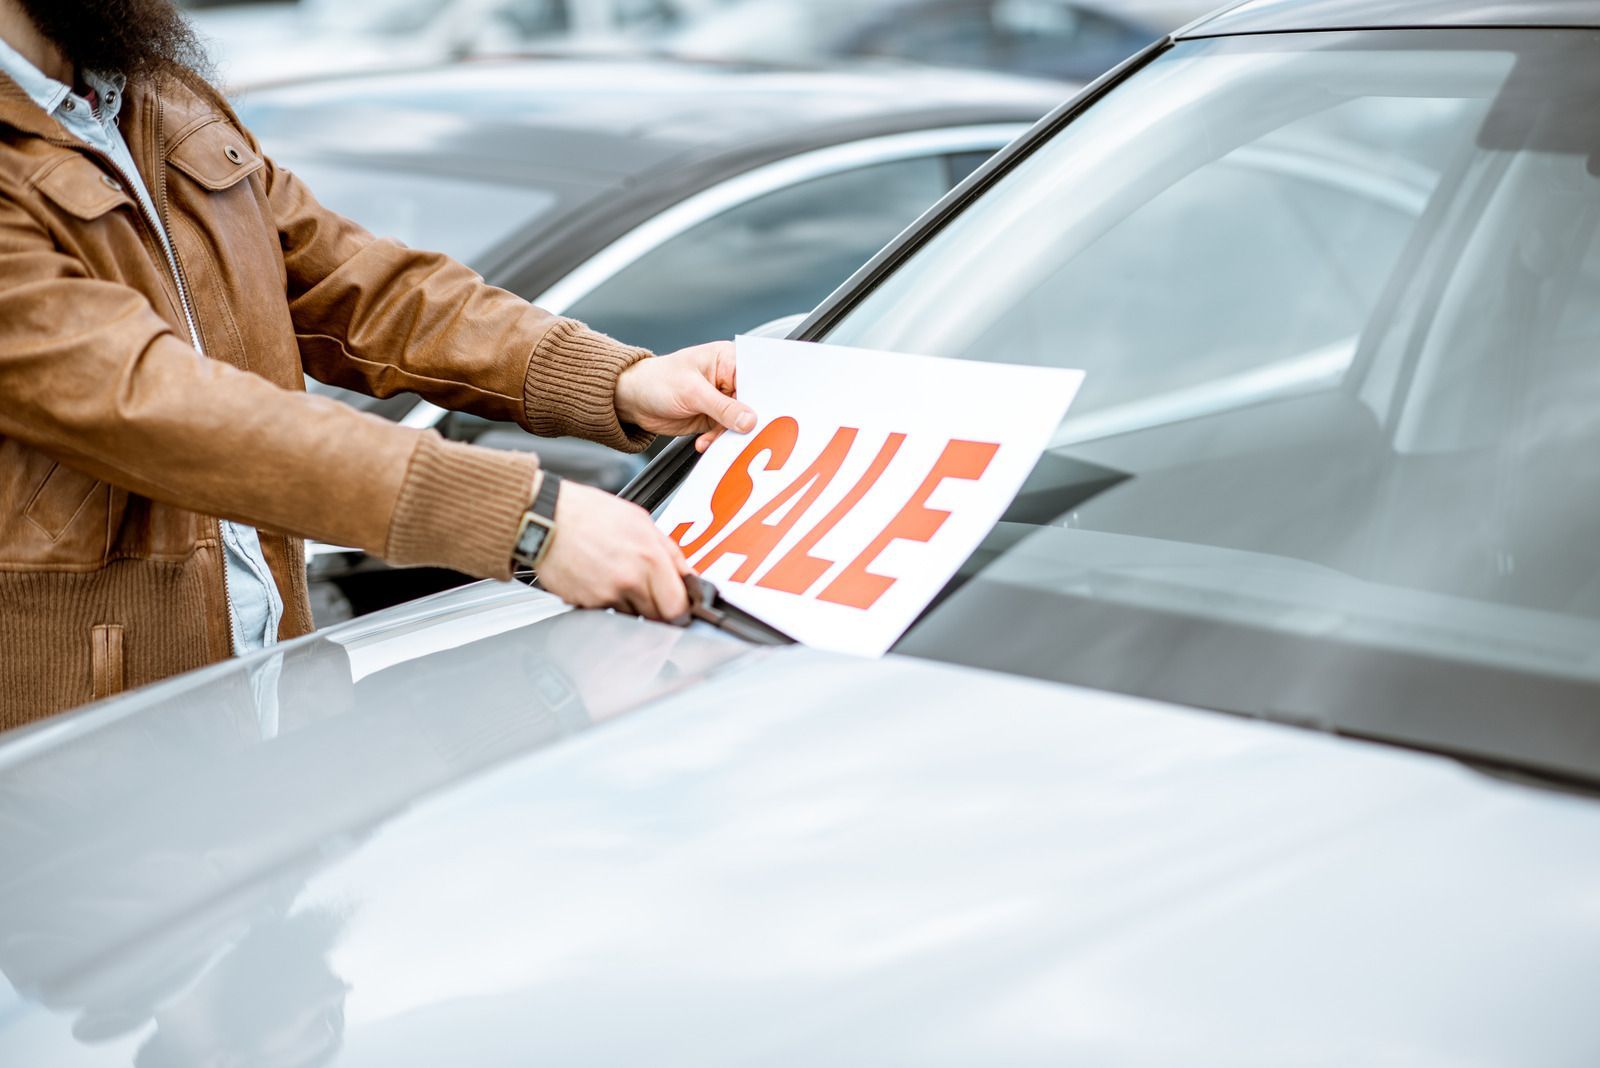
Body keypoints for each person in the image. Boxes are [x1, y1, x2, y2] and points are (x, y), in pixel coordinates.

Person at [0, 0, 756, 729]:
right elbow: (156, 408)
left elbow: (364, 289)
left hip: (268, 703)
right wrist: (524, 520)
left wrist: (612, 379)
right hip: (87, 757)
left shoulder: (151, 95)